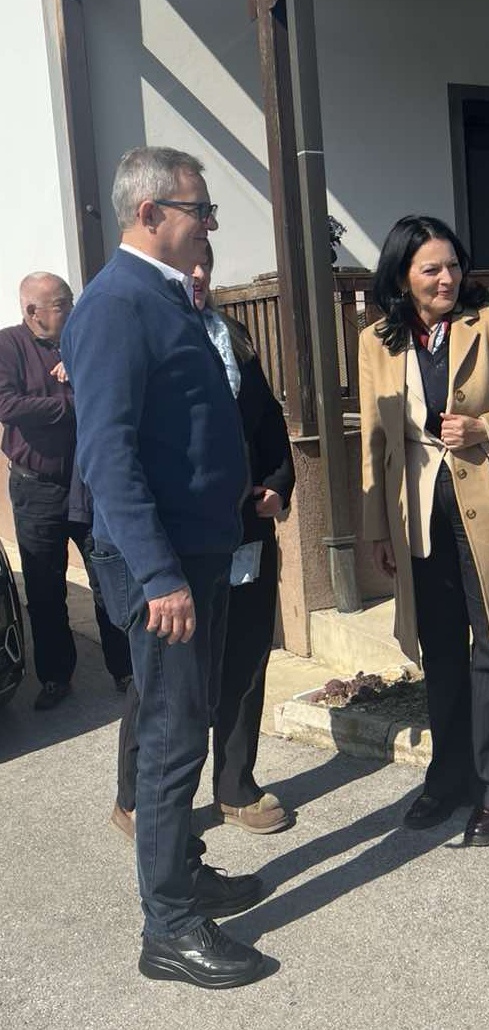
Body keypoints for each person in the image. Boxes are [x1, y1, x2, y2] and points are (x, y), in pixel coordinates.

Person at [61, 147, 271, 988]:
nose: (210, 222)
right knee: (172, 736)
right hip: (167, 564)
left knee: (189, 716)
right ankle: (170, 929)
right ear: (150, 213)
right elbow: (107, 455)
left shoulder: (166, 295)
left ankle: (182, 874)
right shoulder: (116, 304)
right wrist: (159, 576)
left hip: (202, 551)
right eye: (200, 208)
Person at [358, 214, 489, 847]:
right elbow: (374, 440)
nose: (446, 278)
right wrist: (377, 528)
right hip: (419, 512)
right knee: (441, 647)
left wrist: (486, 428)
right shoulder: (377, 341)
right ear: (403, 276)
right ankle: (448, 776)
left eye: (453, 265)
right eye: (432, 269)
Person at [113, 242, 295, 838]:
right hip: (181, 538)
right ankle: (136, 796)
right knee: (164, 674)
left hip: (245, 528)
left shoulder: (233, 338)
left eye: (205, 266)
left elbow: (269, 424)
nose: (196, 275)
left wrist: (278, 486)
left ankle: (235, 786)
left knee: (245, 653)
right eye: (186, 266)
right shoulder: (148, 334)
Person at [0, 272, 130, 708]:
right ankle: (56, 677)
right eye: (61, 304)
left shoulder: (82, 340)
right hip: (36, 489)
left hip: (88, 484)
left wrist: (77, 375)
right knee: (44, 588)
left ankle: (126, 669)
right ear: (32, 312)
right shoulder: (8, 346)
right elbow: (8, 405)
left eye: (71, 301)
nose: (71, 310)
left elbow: (114, 384)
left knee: (108, 578)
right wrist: (71, 403)